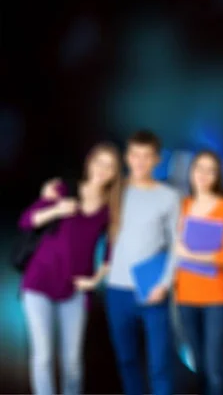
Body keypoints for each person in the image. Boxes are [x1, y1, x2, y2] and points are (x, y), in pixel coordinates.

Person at [18, 142, 122, 395]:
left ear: (115, 173)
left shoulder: (111, 207)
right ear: (89, 163)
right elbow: (26, 221)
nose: (102, 170)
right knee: (42, 357)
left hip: (75, 290)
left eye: (109, 166)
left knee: (73, 364)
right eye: (99, 162)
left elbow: (111, 248)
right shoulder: (64, 189)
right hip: (39, 282)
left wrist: (96, 278)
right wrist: (56, 209)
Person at [104, 130, 180, 395]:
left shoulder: (168, 196)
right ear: (127, 157)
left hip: (152, 289)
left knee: (159, 365)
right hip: (116, 290)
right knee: (127, 361)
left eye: (146, 156)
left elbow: (177, 244)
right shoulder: (115, 192)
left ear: (156, 159)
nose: (140, 161)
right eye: (135, 155)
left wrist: (165, 283)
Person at [173, 150, 223, 395]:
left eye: (210, 170)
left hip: (217, 299)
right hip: (185, 297)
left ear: (217, 176)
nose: (203, 174)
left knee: (214, 368)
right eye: (198, 168)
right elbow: (170, 248)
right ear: (190, 172)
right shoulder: (182, 206)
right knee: (198, 367)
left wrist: (189, 252)